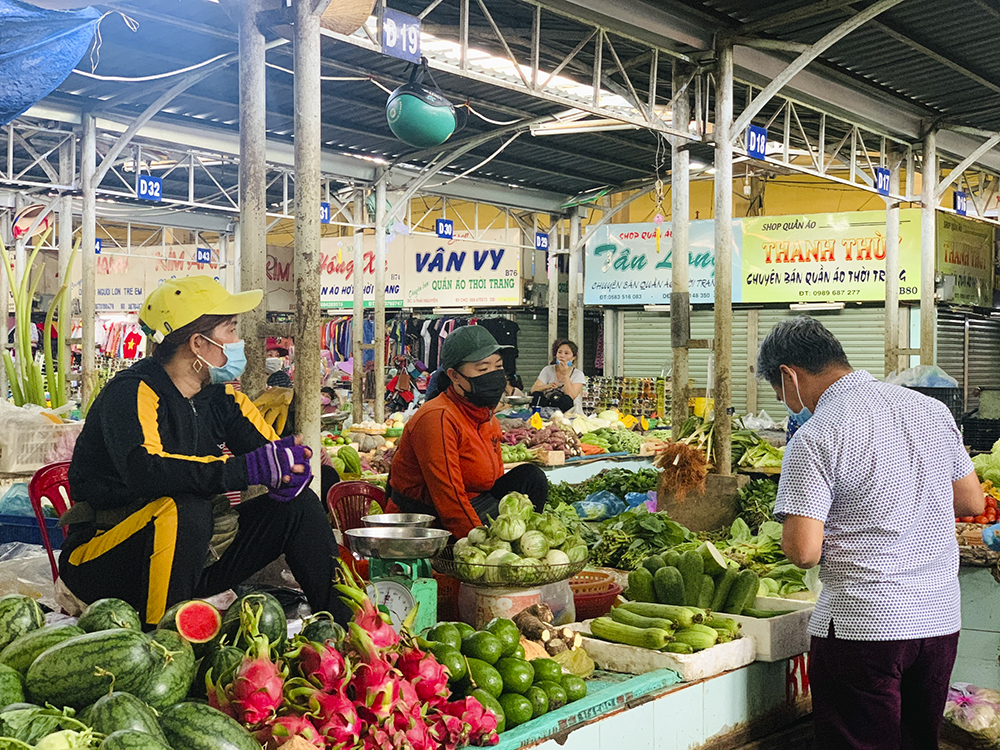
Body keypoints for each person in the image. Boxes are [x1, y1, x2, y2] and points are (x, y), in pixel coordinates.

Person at [59, 276, 349, 628]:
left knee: (298, 508)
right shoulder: (132, 392)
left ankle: (345, 629)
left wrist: (292, 466)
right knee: (184, 508)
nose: (238, 341)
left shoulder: (220, 398)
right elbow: (146, 470)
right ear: (199, 344)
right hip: (105, 559)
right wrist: (245, 469)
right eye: (230, 330)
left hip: (194, 558)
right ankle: (162, 644)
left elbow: (267, 453)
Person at [757, 316, 984, 750]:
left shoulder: (816, 436)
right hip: (938, 618)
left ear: (790, 376)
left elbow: (803, 551)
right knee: (919, 741)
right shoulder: (930, 410)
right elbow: (971, 501)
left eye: (779, 392)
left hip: (865, 625)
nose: (787, 403)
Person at [386, 325, 547, 538]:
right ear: (454, 375)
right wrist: (481, 546)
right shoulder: (438, 417)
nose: (494, 374)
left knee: (531, 477)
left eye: (498, 366)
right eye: (482, 369)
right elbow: (449, 499)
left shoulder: (484, 415)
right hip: (426, 518)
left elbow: (493, 479)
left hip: (476, 501)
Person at [530, 339, 585, 413]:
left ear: (573, 357)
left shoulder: (578, 374)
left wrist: (566, 375)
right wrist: (547, 386)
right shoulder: (547, 370)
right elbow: (534, 389)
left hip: (569, 412)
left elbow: (571, 396)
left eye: (566, 353)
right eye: (559, 352)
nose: (562, 356)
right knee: (537, 395)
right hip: (549, 407)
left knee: (566, 400)